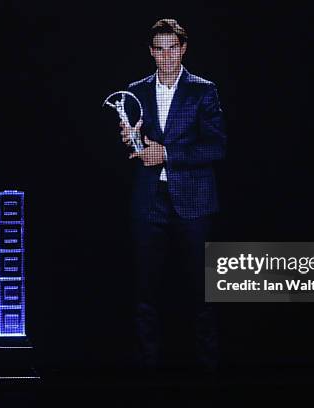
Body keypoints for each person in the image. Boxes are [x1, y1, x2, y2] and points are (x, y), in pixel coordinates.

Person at [120, 18, 227, 373]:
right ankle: (145, 370)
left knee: (201, 292)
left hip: (194, 202)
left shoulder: (203, 90)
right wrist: (132, 140)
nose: (166, 56)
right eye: (159, 49)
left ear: (183, 49)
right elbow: (138, 141)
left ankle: (208, 371)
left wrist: (166, 153)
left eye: (172, 48)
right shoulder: (136, 90)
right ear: (152, 52)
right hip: (149, 202)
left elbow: (216, 147)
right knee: (144, 293)